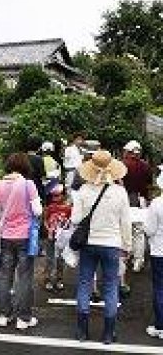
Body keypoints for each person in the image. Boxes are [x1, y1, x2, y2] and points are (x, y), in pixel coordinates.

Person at [72, 150, 131, 344]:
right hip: (112, 244)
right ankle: (108, 333)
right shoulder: (120, 192)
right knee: (111, 286)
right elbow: (126, 223)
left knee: (84, 284)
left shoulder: (83, 191)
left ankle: (82, 332)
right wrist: (127, 246)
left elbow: (75, 219)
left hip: (88, 243)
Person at [0, 153, 42, 330]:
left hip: (6, 236)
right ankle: (23, 318)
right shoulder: (28, 185)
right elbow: (37, 210)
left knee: (5, 276)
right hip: (25, 236)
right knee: (24, 277)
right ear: (25, 166)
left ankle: (4, 315)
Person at [122, 140, 153, 272]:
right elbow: (149, 185)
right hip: (141, 200)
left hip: (125, 200)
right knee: (139, 232)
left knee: (125, 229)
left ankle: (126, 256)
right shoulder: (146, 166)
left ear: (128, 152)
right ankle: (138, 261)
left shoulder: (123, 165)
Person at [144, 168, 163, 340]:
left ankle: (160, 326)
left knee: (160, 288)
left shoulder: (157, 204)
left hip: (159, 250)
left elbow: (149, 229)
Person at [43, 183, 71, 291]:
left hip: (62, 238)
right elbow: (45, 220)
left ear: (63, 196)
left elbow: (70, 222)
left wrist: (65, 231)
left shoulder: (68, 209)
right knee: (50, 259)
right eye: (54, 196)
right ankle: (48, 279)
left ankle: (59, 279)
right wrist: (48, 229)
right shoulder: (49, 208)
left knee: (60, 259)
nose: (56, 198)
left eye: (58, 195)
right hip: (51, 237)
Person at [64, 133, 85, 203]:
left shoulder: (82, 150)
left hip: (81, 172)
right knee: (70, 189)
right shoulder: (69, 149)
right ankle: (69, 205)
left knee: (80, 190)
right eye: (78, 139)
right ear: (74, 140)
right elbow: (66, 162)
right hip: (71, 171)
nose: (80, 141)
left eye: (81, 139)